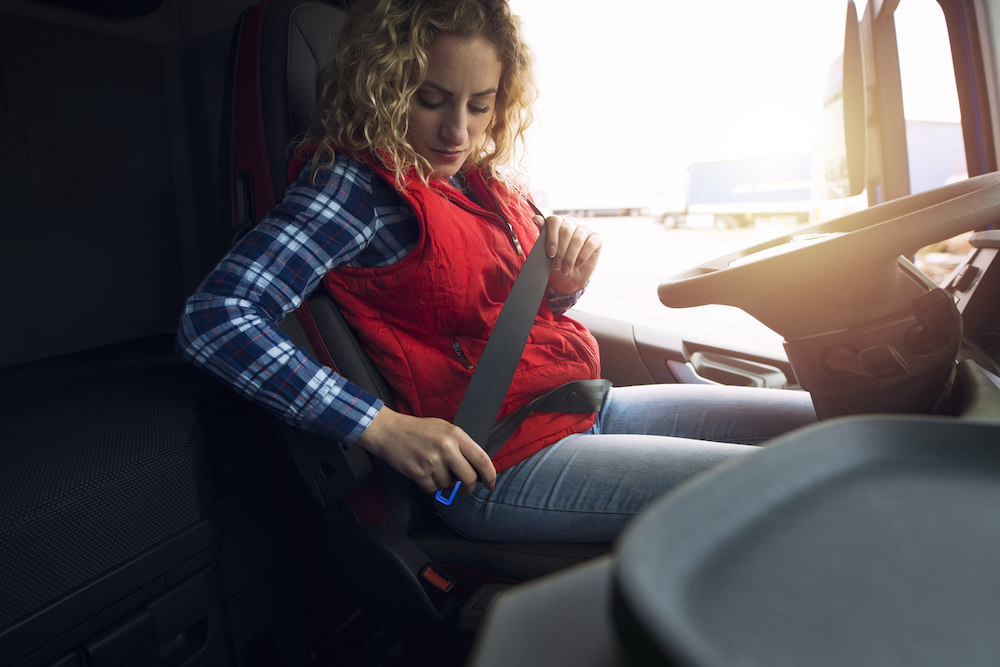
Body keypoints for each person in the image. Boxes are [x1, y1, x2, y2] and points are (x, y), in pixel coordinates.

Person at [177, 0, 816, 544]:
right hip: (500, 460)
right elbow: (215, 319)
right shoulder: (355, 189)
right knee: (798, 491)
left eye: (480, 106)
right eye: (431, 101)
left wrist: (563, 282)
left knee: (826, 422)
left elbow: (502, 318)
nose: (458, 131)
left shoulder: (483, 182)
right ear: (384, 87)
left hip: (579, 407)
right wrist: (380, 426)